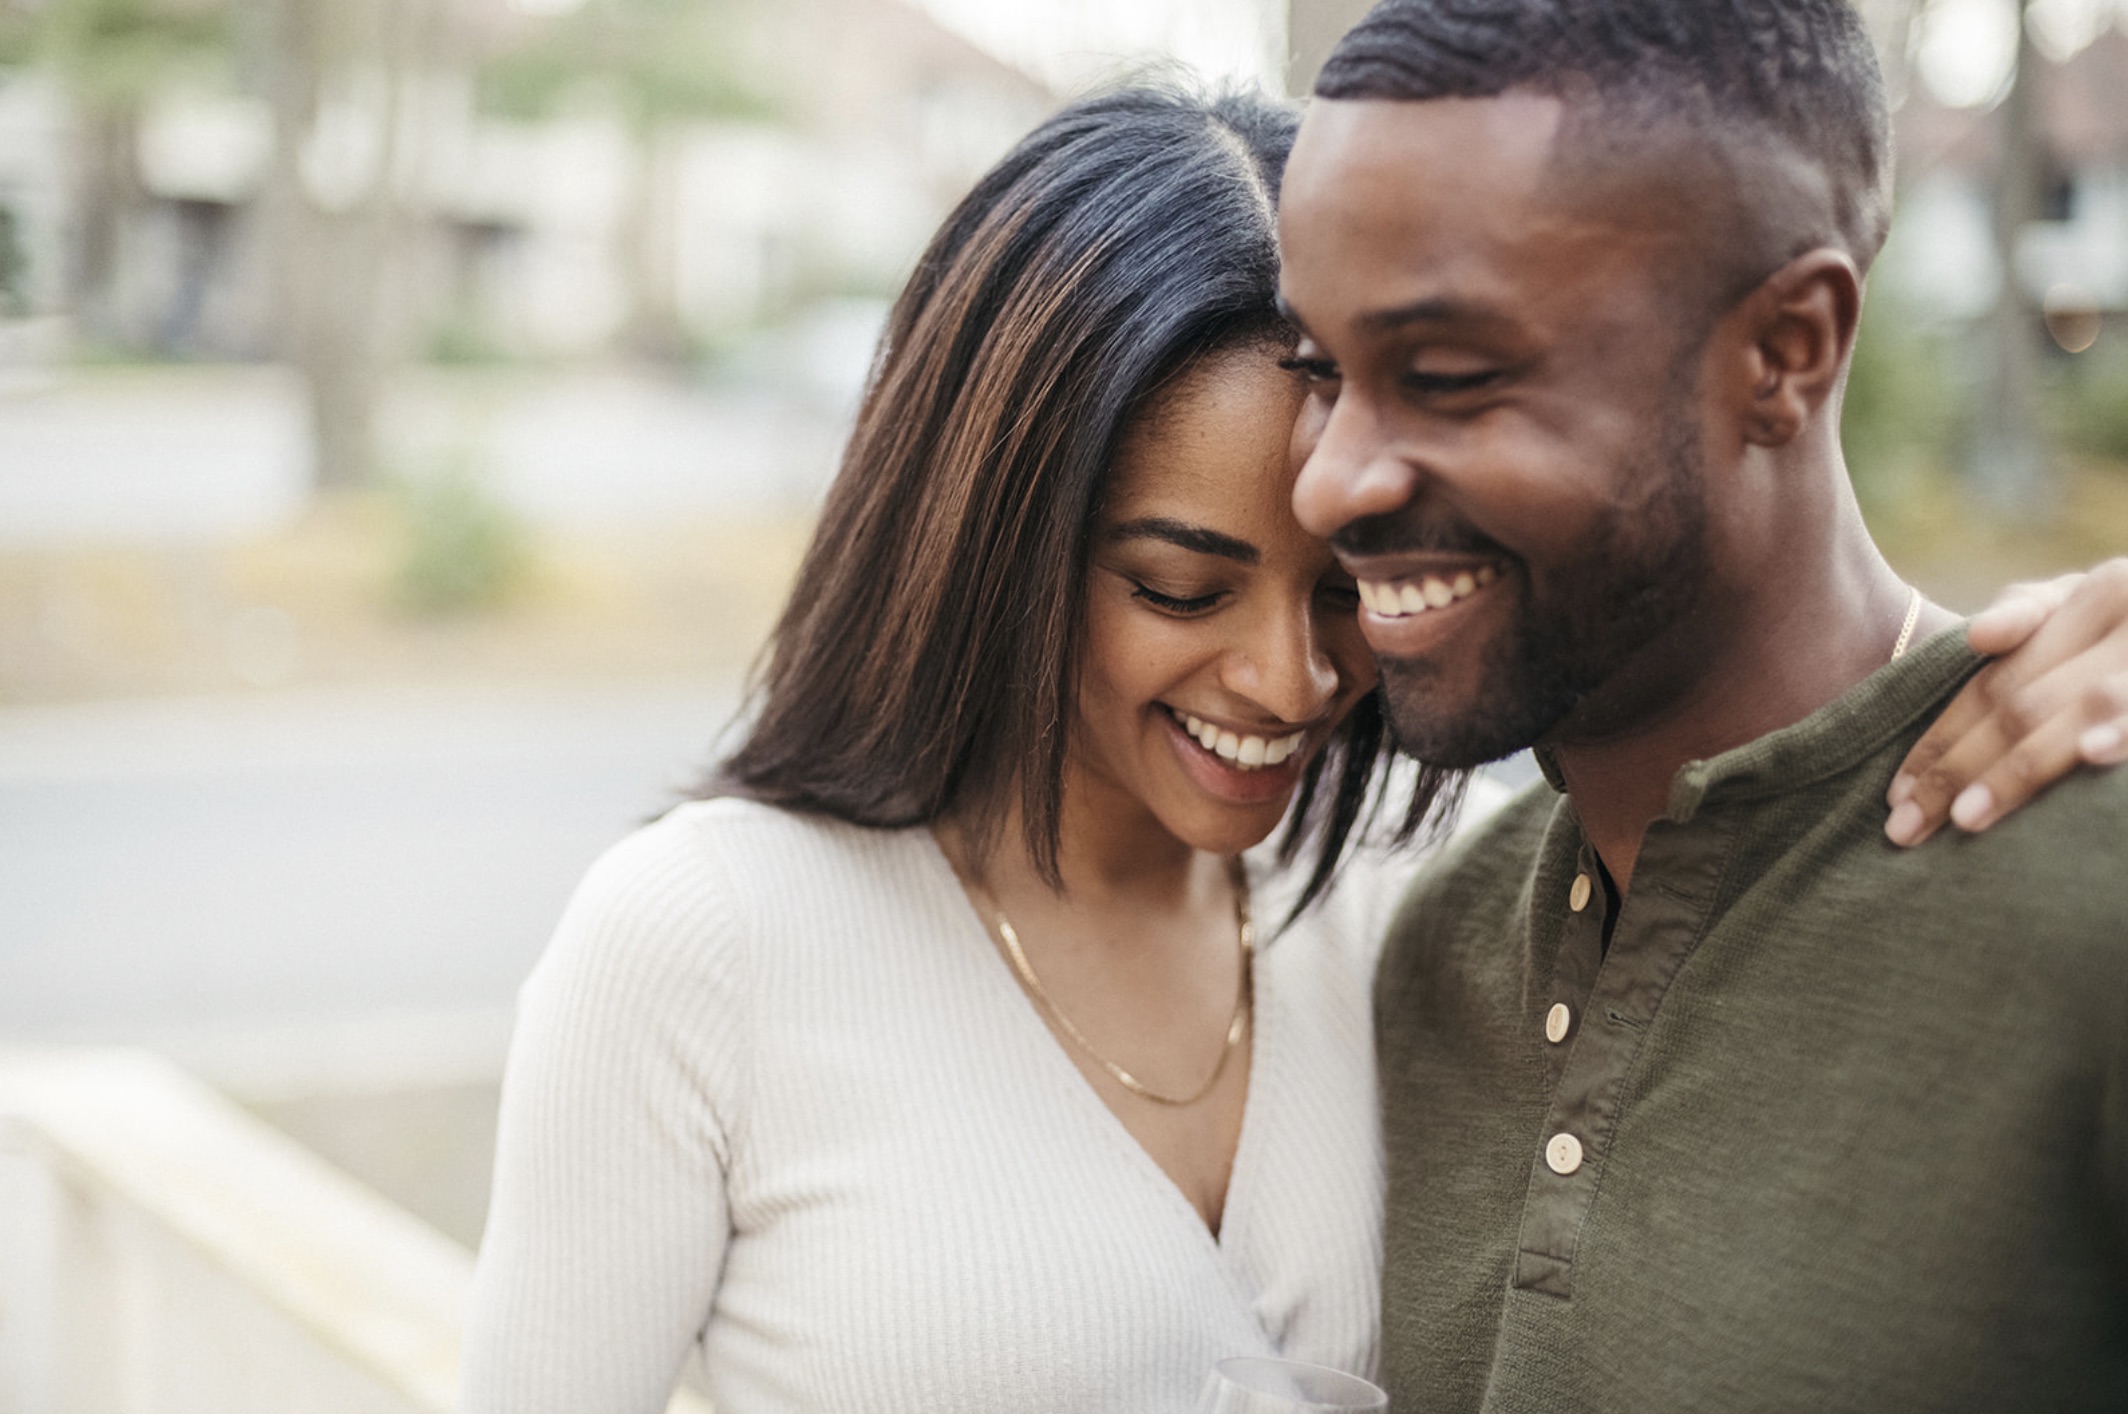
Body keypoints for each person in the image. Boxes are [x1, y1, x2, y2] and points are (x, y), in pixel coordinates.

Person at [462, 76, 2126, 1414]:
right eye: (1179, 583)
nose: (1286, 678)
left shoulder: (1405, 918)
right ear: (991, 536)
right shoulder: (704, 944)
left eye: (1348, 589)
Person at [1274, 2, 2128, 1411]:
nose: (1331, 483)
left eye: (1447, 377)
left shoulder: (2091, 894)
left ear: (1785, 351)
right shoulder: (1440, 952)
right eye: (1323, 372)